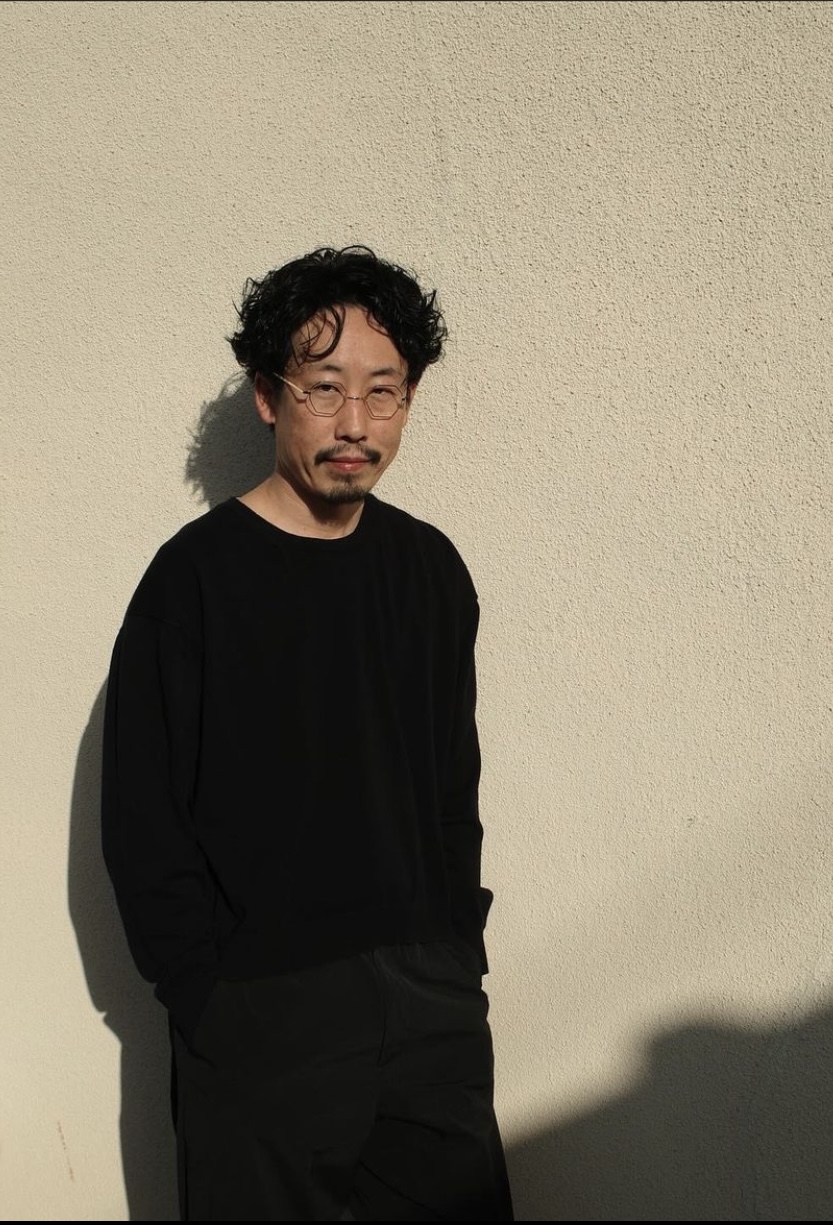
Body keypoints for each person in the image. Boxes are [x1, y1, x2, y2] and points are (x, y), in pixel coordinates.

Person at [101, 246, 513, 1221]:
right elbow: (142, 816)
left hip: (427, 1004)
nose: (355, 423)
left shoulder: (429, 571)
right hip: (260, 1011)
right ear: (267, 395)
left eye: (383, 390)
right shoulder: (192, 584)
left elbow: (450, 788)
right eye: (324, 388)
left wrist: (455, 955)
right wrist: (208, 995)